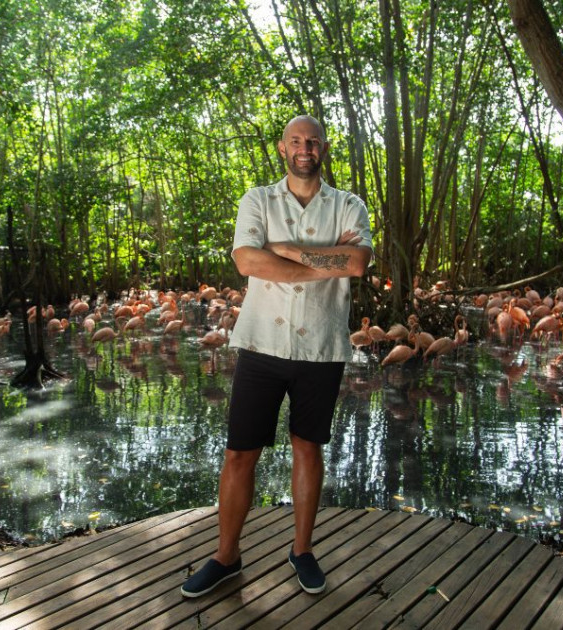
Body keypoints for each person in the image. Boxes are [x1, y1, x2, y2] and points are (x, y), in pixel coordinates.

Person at [181, 115, 372, 598]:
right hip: (261, 345)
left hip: (321, 349)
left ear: (323, 148)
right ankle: (226, 556)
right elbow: (247, 261)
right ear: (282, 148)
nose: (304, 148)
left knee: (308, 447)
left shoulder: (348, 205)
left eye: (312, 141)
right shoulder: (257, 199)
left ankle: (302, 550)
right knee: (239, 451)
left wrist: (284, 253)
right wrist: (324, 263)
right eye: (295, 141)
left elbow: (358, 262)